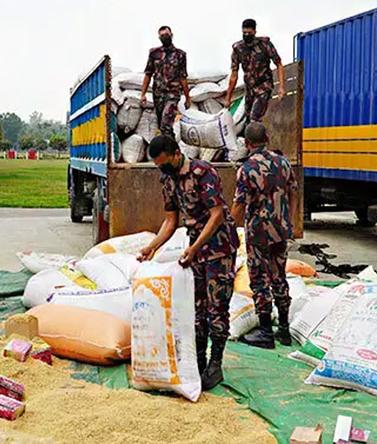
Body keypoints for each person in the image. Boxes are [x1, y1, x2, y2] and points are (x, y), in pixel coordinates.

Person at [137, 135, 239, 390]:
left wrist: (194, 248)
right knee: (198, 309)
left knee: (218, 308)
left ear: (175, 153)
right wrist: (152, 247)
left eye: (164, 164)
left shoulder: (203, 172)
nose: (163, 169)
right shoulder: (167, 179)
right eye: (159, 166)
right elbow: (171, 221)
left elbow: (217, 215)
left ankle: (215, 365)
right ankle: (198, 361)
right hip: (196, 250)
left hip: (219, 248)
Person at [230, 123, 298, 348]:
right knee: (279, 276)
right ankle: (285, 329)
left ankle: (266, 332)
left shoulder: (246, 169)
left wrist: (229, 228)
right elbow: (293, 192)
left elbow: (239, 205)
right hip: (280, 230)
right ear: (267, 138)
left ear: (247, 144)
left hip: (258, 233)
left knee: (259, 279)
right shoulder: (283, 163)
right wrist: (291, 222)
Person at [225, 18, 285, 123]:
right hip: (249, 89)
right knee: (248, 121)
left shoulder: (265, 44)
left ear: (255, 32)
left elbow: (279, 64)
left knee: (255, 117)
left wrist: (281, 87)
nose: (247, 35)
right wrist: (228, 98)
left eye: (249, 33)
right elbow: (234, 74)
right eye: (244, 33)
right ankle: (261, 139)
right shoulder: (238, 48)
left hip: (264, 85)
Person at [141, 25, 192, 139]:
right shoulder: (154, 53)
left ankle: (171, 154)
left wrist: (188, 98)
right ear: (159, 37)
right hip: (158, 94)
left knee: (166, 123)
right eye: (162, 36)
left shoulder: (180, 55)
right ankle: (171, 151)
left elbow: (183, 77)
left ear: (172, 35)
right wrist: (143, 94)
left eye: (167, 35)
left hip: (173, 94)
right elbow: (148, 74)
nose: (165, 37)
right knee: (162, 126)